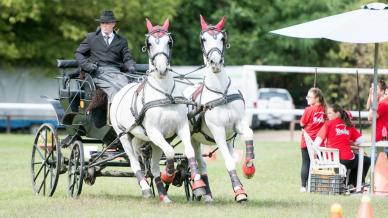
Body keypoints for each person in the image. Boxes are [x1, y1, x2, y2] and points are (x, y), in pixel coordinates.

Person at [75, 10, 136, 103]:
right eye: (102, 23)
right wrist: (87, 66)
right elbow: (78, 53)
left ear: (113, 24)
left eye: (107, 23)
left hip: (116, 73)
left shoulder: (121, 40)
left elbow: (127, 58)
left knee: (128, 88)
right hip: (97, 73)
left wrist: (131, 66)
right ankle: (111, 117)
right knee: (114, 89)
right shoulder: (91, 37)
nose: (104, 25)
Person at [314, 103, 371, 188]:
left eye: (330, 113)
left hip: (331, 160)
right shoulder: (349, 125)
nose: (327, 115)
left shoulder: (328, 124)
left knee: (359, 160)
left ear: (337, 113)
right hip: (346, 159)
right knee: (365, 160)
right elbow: (361, 141)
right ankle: (353, 184)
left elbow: (317, 142)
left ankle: (348, 184)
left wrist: (315, 151)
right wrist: (350, 141)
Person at [299, 87, 327, 192]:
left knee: (306, 162)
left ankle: (303, 186)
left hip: (307, 141)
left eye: (309, 97)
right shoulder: (326, 109)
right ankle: (318, 186)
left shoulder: (308, 110)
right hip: (320, 142)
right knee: (320, 163)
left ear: (317, 98)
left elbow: (302, 123)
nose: (307, 99)